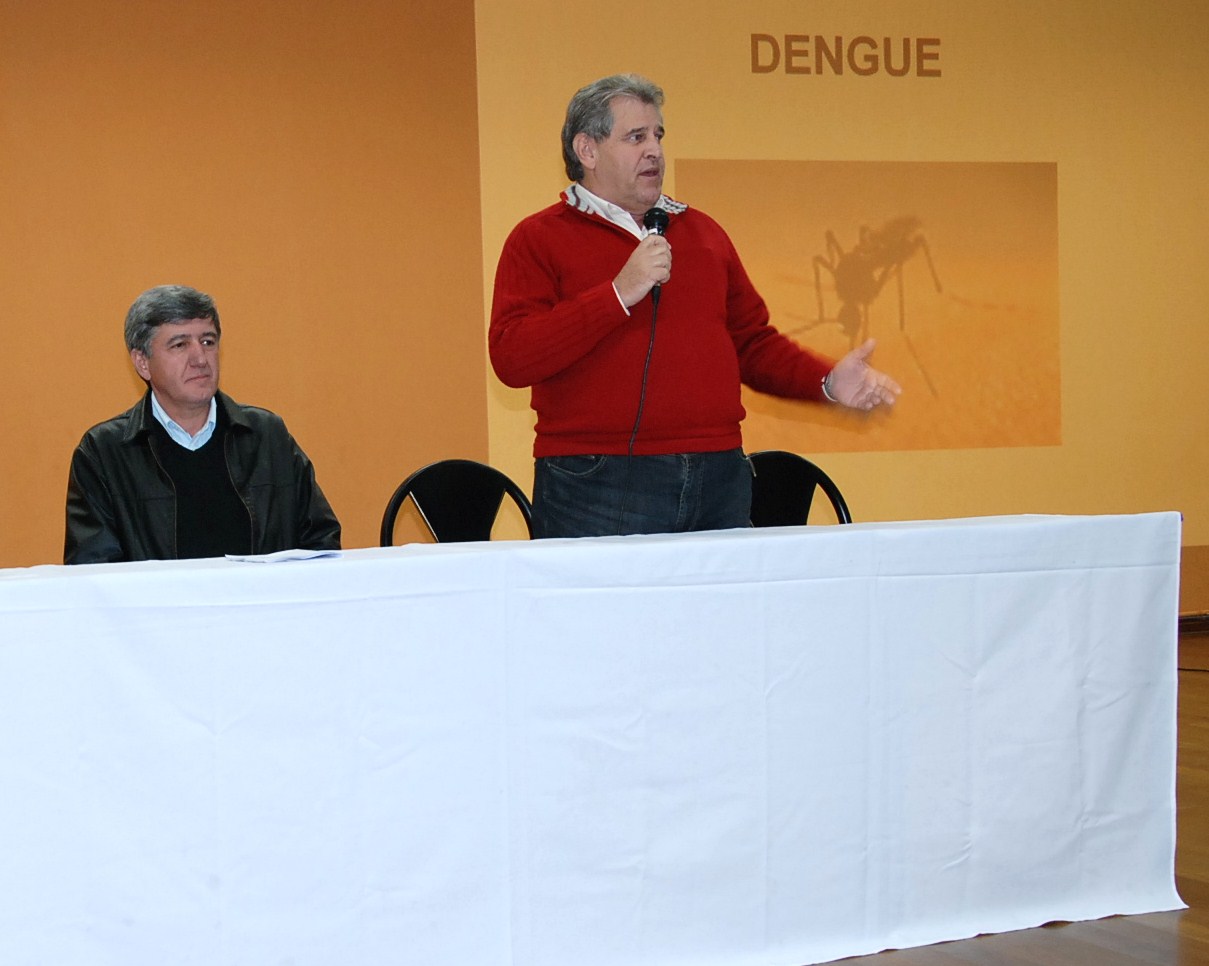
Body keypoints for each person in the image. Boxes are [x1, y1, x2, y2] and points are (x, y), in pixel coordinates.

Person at [489, 73, 901, 538]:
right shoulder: (539, 238)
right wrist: (617, 294)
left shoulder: (703, 234)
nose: (654, 150)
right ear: (587, 150)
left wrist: (825, 381)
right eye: (636, 137)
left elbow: (752, 343)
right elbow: (512, 356)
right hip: (597, 480)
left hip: (719, 475)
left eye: (658, 135)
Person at [64, 284, 341, 564]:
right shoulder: (103, 453)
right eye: (180, 345)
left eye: (208, 342)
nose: (200, 359)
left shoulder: (267, 436)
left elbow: (320, 544)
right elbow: (92, 570)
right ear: (142, 362)